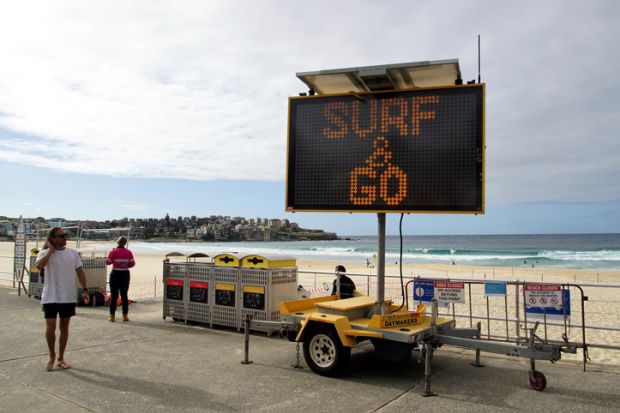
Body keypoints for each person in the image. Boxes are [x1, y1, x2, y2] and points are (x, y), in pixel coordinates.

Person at [35, 227, 89, 371]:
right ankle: (52, 356)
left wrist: (85, 289)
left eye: (65, 235)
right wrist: (50, 251)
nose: (64, 238)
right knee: (50, 328)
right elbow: (39, 266)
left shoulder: (72, 253)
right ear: (52, 239)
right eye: (60, 236)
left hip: (68, 296)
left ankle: (61, 358)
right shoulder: (44, 253)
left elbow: (80, 271)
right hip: (50, 296)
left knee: (64, 327)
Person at [105, 236, 135, 322]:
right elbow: (132, 264)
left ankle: (112, 316)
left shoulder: (113, 252)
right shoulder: (129, 252)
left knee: (114, 296)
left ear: (117, 242)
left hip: (115, 274)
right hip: (125, 274)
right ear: (125, 243)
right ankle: (125, 316)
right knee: (124, 296)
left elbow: (107, 262)